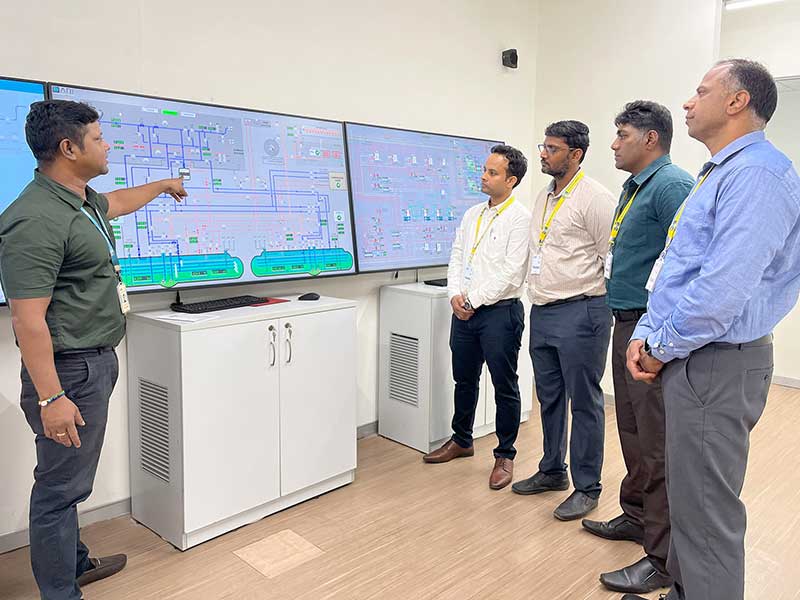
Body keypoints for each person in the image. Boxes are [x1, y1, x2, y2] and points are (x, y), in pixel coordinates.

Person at [624, 59, 800, 600]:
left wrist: (657, 345)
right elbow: (679, 265)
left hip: (716, 358)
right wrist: (649, 331)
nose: (686, 103)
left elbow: (722, 289)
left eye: (700, 91)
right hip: (694, 353)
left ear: (736, 102)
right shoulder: (720, 172)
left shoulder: (758, 176)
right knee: (689, 498)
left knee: (707, 511)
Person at [0, 99, 187, 600]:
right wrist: (50, 398)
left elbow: (120, 202)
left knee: (71, 480)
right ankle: (60, 592)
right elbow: (27, 318)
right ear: (68, 147)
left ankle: (74, 564)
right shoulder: (35, 218)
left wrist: (164, 185)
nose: (107, 146)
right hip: (68, 373)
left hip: (93, 363)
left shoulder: (78, 200)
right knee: (59, 490)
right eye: (99, 138)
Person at [580, 101, 693, 596]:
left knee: (657, 441)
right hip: (624, 322)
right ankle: (636, 516)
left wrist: (659, 337)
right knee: (630, 428)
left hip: (650, 332)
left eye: (621, 134)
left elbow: (687, 261)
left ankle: (662, 558)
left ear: (650, 139)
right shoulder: (634, 186)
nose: (613, 143)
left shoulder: (672, 186)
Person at [512, 120, 615, 521]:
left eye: (552, 148)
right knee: (549, 396)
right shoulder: (544, 195)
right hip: (544, 309)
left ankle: (587, 487)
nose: (543, 153)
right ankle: (552, 469)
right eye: (543, 146)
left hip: (582, 310)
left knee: (585, 401)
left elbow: (612, 259)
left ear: (576, 155)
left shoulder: (595, 198)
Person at [423, 144, 532, 491]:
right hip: (464, 311)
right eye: (484, 170)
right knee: (464, 380)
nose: (483, 177)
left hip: (500, 312)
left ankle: (505, 454)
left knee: (505, 385)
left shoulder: (521, 219)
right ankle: (462, 440)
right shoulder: (472, 214)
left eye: (492, 172)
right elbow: (457, 256)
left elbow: (511, 272)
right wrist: (455, 294)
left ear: (511, 180)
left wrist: (471, 299)